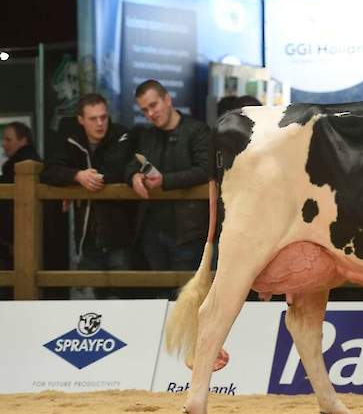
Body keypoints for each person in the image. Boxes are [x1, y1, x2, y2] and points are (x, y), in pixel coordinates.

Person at [41, 93, 135, 299]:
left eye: (104, 117)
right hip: (87, 236)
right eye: (93, 119)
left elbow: (120, 169)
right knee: (92, 302)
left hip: (120, 232)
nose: (100, 123)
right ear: (81, 120)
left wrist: (86, 178)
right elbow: (48, 171)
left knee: (124, 298)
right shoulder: (70, 138)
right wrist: (76, 175)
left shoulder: (122, 135)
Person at [125, 80, 211, 288]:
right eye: (144, 110)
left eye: (153, 106)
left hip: (188, 232)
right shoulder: (148, 135)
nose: (150, 114)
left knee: (186, 297)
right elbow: (131, 163)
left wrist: (165, 181)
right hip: (153, 231)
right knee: (159, 296)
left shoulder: (197, 130)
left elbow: (205, 170)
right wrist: (133, 177)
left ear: (167, 100)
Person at [0, 122, 41, 271]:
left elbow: (7, 208)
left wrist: (9, 239)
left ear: (23, 140)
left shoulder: (13, 167)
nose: (4, 144)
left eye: (8, 140)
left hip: (17, 239)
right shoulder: (40, 163)